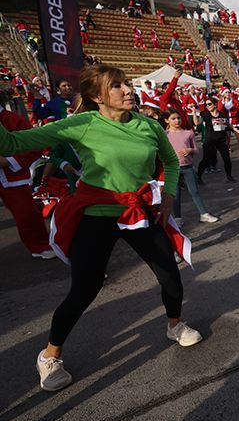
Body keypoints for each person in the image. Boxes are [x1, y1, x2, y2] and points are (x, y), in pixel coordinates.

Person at [0, 64, 202, 392]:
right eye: (117, 86)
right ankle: (50, 355)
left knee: (170, 274)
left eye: (126, 83)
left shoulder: (148, 125)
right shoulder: (83, 123)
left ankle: (175, 325)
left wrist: (168, 196)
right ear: (97, 96)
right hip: (97, 212)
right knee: (85, 288)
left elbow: (169, 161)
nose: (128, 90)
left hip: (138, 212)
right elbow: (10, 145)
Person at [0, 108, 55, 258]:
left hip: (11, 177)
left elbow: (34, 144)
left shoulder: (10, 119)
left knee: (26, 213)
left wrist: (8, 161)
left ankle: (40, 245)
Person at [163, 109, 218, 226]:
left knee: (194, 191)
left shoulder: (188, 133)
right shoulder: (164, 135)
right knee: (175, 194)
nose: (177, 121)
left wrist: (190, 150)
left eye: (178, 118)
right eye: (173, 118)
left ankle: (204, 214)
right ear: (166, 120)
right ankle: (177, 218)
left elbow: (196, 149)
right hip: (172, 169)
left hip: (188, 167)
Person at [194, 98, 235, 183]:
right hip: (210, 140)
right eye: (206, 105)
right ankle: (199, 177)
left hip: (221, 140)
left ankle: (229, 176)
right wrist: (194, 112)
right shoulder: (205, 114)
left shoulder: (222, 114)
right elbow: (197, 123)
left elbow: (227, 124)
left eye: (209, 104)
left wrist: (235, 129)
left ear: (215, 104)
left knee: (227, 158)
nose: (207, 106)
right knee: (206, 160)